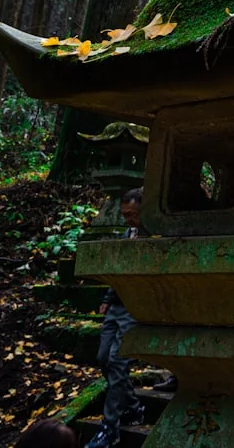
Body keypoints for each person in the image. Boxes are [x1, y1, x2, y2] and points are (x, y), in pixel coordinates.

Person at [86, 188, 146, 448]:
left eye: (133, 215)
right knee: (103, 359)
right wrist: (107, 300)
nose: (129, 219)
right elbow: (117, 271)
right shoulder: (127, 234)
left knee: (118, 362)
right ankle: (133, 407)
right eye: (125, 215)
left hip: (135, 307)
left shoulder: (149, 236)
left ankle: (110, 428)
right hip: (117, 306)